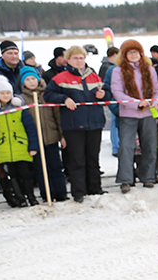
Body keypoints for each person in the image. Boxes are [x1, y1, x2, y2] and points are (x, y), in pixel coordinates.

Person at [46, 46, 110, 202]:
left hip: (94, 123)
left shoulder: (93, 76)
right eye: (75, 58)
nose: (79, 61)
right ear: (68, 60)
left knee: (93, 158)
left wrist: (103, 95)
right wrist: (64, 99)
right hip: (73, 125)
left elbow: (108, 95)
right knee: (77, 160)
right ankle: (78, 191)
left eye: (81, 58)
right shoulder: (61, 78)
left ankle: (95, 188)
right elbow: (48, 95)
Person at [109, 39, 158, 192]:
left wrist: (156, 103)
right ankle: (126, 179)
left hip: (148, 114)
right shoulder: (117, 71)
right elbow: (117, 93)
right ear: (124, 55)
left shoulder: (150, 69)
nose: (133, 55)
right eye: (130, 52)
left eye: (136, 52)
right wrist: (136, 103)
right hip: (128, 114)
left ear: (141, 53)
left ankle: (148, 177)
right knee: (126, 146)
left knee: (150, 146)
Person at [17, 67, 68, 202]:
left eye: (33, 78)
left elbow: (57, 116)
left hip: (51, 136)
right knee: (40, 168)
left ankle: (61, 192)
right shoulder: (21, 99)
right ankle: (47, 194)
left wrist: (61, 135)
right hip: (34, 140)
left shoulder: (48, 94)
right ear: (23, 83)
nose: (31, 82)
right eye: (28, 80)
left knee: (56, 166)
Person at [0, 79, 38, 207]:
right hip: (4, 150)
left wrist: (33, 146)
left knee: (25, 173)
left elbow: (31, 129)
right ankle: (20, 198)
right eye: (2, 93)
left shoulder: (21, 110)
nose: (5, 96)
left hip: (21, 147)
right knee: (12, 175)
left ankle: (31, 196)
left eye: (8, 93)